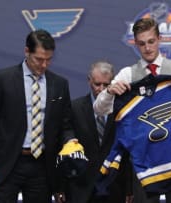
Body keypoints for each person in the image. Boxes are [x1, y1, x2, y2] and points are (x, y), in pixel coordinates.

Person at [94, 17, 171, 203]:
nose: (147, 48)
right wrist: (109, 91)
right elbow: (99, 109)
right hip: (144, 161)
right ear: (135, 44)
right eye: (142, 44)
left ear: (159, 39)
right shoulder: (127, 74)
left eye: (151, 42)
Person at [0, 29, 76, 203]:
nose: (44, 65)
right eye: (39, 59)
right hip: (7, 164)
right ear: (26, 52)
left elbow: (65, 125)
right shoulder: (3, 79)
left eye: (49, 60)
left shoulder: (60, 84)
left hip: (42, 166)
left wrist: (70, 141)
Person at [62, 61, 133, 203]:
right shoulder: (75, 108)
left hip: (114, 185)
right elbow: (65, 140)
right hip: (81, 186)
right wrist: (61, 188)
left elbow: (127, 153)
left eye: (106, 85)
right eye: (97, 84)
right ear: (89, 80)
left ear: (113, 82)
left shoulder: (123, 109)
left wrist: (129, 188)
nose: (101, 89)